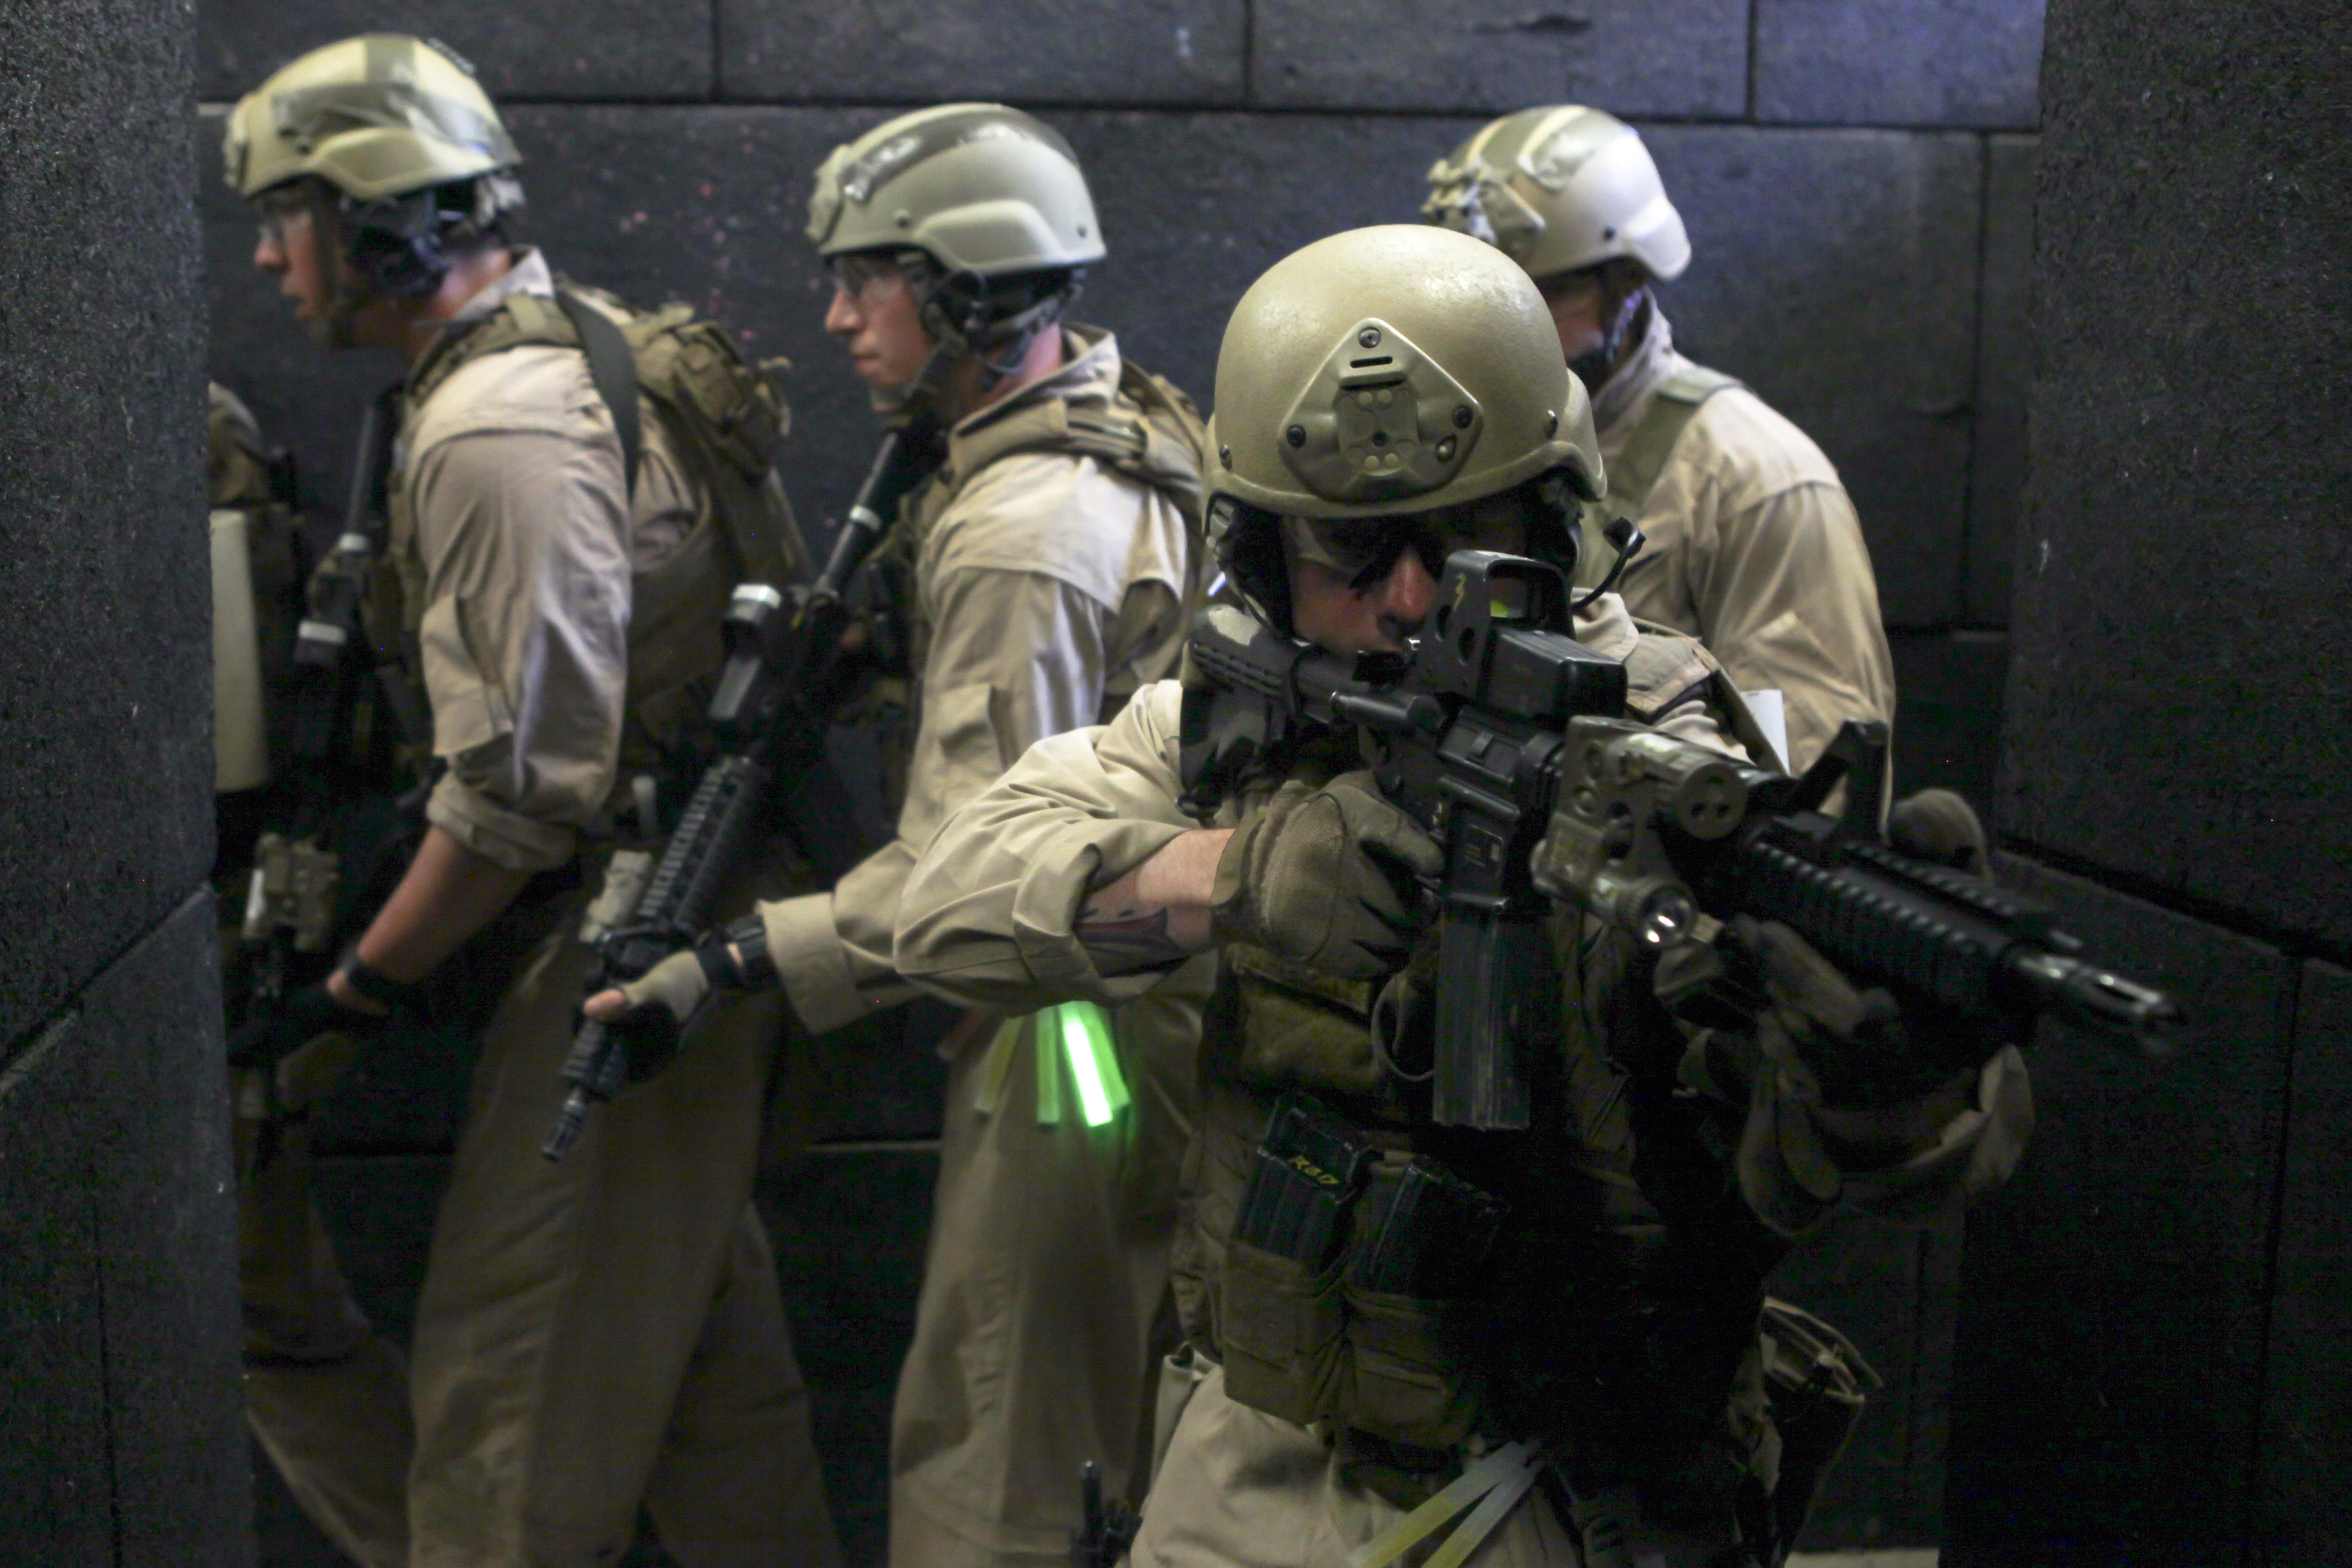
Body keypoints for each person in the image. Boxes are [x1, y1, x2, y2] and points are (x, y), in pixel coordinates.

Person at [887, 224, 2034, 1566]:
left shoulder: (1681, 758)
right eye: (1354, 554)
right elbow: (942, 909)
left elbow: (1927, 1158)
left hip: (1572, 1497)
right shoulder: (1239, 727)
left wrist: (1879, 1081)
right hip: (1246, 1466)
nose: (1417, 604)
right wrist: (1233, 877)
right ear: (1261, 557)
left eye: (1472, 545)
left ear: (1557, 515)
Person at [219, 34, 839, 1566]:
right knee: (717, 1417)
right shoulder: (582, 352)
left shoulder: (497, 428)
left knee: (505, 1451)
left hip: (617, 960)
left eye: (286, 214)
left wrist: (351, 997)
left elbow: (519, 800)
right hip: (681, 944)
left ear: (380, 222)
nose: (265, 252)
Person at [589, 104, 1210, 1567]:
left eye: (867, 279)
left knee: (1002, 1439)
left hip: (1069, 1043)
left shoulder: (1014, 530)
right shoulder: (1098, 445)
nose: (836, 315)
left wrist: (730, 962)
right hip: (1127, 1000)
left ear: (967, 291)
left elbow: (967, 882)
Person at [1425, 107, 1894, 775]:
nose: (1500, 335)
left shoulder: (1753, 479)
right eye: (1480, 302)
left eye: (1538, 297)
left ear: (1627, 281)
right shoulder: (1461, 444)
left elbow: (1807, 785)